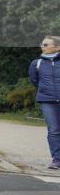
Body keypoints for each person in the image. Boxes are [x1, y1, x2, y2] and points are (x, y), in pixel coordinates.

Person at [30, 35, 60, 170]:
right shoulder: (36, 63)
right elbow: (34, 81)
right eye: (42, 44)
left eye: (46, 44)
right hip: (47, 100)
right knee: (54, 130)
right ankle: (57, 159)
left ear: (57, 47)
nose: (42, 46)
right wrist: (46, 91)